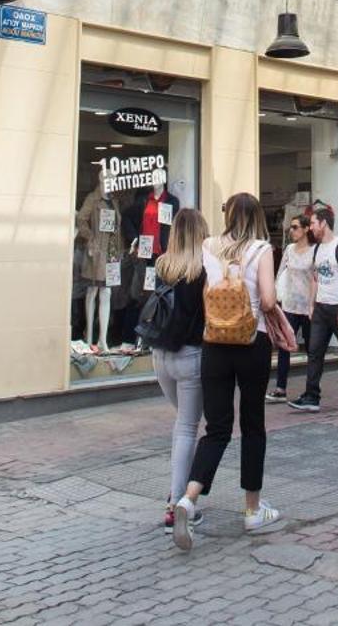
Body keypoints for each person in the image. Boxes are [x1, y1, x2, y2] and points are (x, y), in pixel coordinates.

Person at [172, 193, 282, 547]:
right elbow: (266, 300)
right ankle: (252, 510)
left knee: (216, 428)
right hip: (252, 341)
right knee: (253, 425)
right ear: (256, 217)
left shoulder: (209, 246)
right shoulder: (262, 249)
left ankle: (188, 498)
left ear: (229, 215)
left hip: (214, 343)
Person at [149, 207, 208, 531]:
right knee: (188, 427)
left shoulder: (163, 266)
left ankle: (176, 494)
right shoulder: (203, 270)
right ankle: (178, 503)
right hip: (191, 355)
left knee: (182, 425)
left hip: (161, 356)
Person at [290, 202, 338, 413]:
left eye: (312, 223)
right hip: (320, 307)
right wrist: (311, 304)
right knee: (314, 352)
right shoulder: (317, 249)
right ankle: (311, 396)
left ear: (324, 223)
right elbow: (315, 278)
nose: (310, 227)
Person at [266, 211, 314, 403]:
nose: (291, 231)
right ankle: (280, 388)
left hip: (309, 306)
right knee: (285, 345)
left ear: (305, 229)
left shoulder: (314, 251)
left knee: (312, 349)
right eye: (291, 227)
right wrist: (276, 297)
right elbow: (280, 274)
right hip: (290, 305)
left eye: (295, 227)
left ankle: (312, 389)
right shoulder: (289, 250)